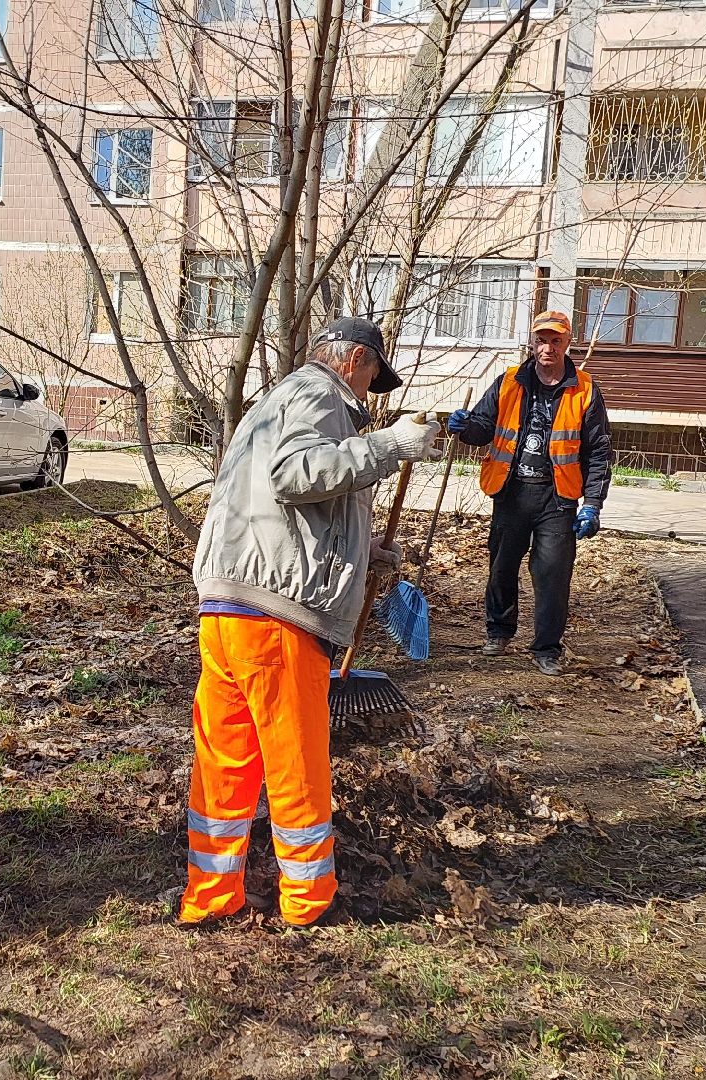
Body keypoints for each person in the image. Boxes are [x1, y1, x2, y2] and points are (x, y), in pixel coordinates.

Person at [178, 317, 439, 928]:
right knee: (295, 759)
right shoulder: (320, 395)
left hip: (227, 606)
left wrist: (365, 551)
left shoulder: (276, 401)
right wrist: (390, 446)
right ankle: (306, 901)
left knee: (226, 758)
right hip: (277, 616)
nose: (372, 391)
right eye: (373, 375)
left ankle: (211, 895)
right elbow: (294, 476)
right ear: (354, 359)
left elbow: (286, 506)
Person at [448, 310, 612, 676]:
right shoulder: (509, 382)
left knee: (553, 575)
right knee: (501, 567)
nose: (548, 348)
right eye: (541, 340)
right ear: (532, 343)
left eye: (556, 341)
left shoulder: (585, 389)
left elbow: (599, 451)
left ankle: (547, 648)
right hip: (511, 492)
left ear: (567, 343)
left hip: (558, 498)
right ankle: (498, 632)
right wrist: (463, 426)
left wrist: (592, 505)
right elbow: (482, 428)